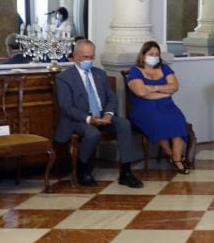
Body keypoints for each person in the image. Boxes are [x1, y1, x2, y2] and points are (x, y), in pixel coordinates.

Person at [53, 39, 144, 188]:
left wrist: (108, 114)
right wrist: (90, 119)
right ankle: (82, 169)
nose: (88, 60)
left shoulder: (100, 73)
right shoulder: (64, 78)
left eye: (91, 57)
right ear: (75, 56)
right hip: (78, 119)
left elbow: (111, 97)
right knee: (92, 133)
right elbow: (66, 107)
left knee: (124, 124)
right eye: (85, 57)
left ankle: (126, 172)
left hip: (102, 115)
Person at [126, 41, 190, 174]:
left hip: (167, 105)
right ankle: (170, 154)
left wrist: (154, 88)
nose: (154, 56)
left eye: (157, 54)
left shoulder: (164, 68)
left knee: (178, 119)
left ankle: (177, 158)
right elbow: (141, 93)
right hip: (143, 108)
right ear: (143, 55)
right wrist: (164, 94)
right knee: (158, 121)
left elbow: (174, 86)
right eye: (151, 54)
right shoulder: (135, 71)